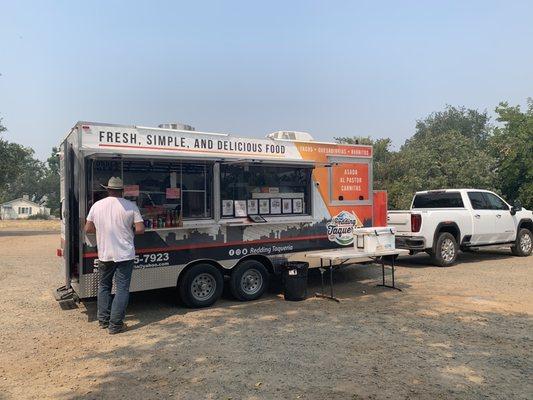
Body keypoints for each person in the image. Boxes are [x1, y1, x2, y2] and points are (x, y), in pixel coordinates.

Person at [84, 177, 145, 334]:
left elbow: (88, 228)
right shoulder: (131, 206)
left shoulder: (96, 206)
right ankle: (115, 325)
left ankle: (103, 321)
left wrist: (104, 231)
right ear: (122, 191)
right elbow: (140, 229)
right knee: (122, 289)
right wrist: (126, 230)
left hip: (105, 253)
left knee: (104, 286)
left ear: (108, 189)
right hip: (124, 254)